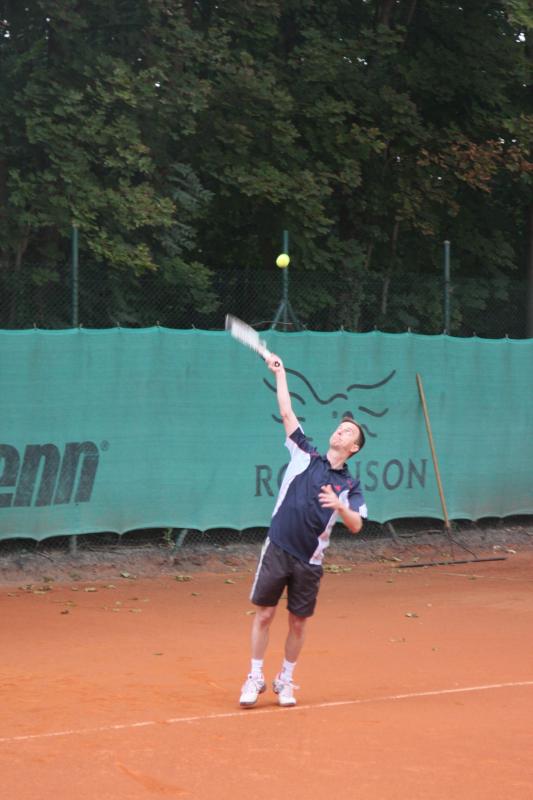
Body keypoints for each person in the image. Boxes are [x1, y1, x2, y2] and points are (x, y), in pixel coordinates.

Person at [239, 352, 368, 708]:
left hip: (309, 562)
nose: (340, 431)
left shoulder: (350, 486)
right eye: (340, 427)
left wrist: (340, 506)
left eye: (348, 431)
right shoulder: (304, 454)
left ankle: (285, 680)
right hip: (278, 547)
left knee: (298, 622)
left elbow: (357, 524)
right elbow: (287, 412)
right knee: (265, 613)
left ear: (354, 447)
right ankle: (254, 676)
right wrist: (279, 373)